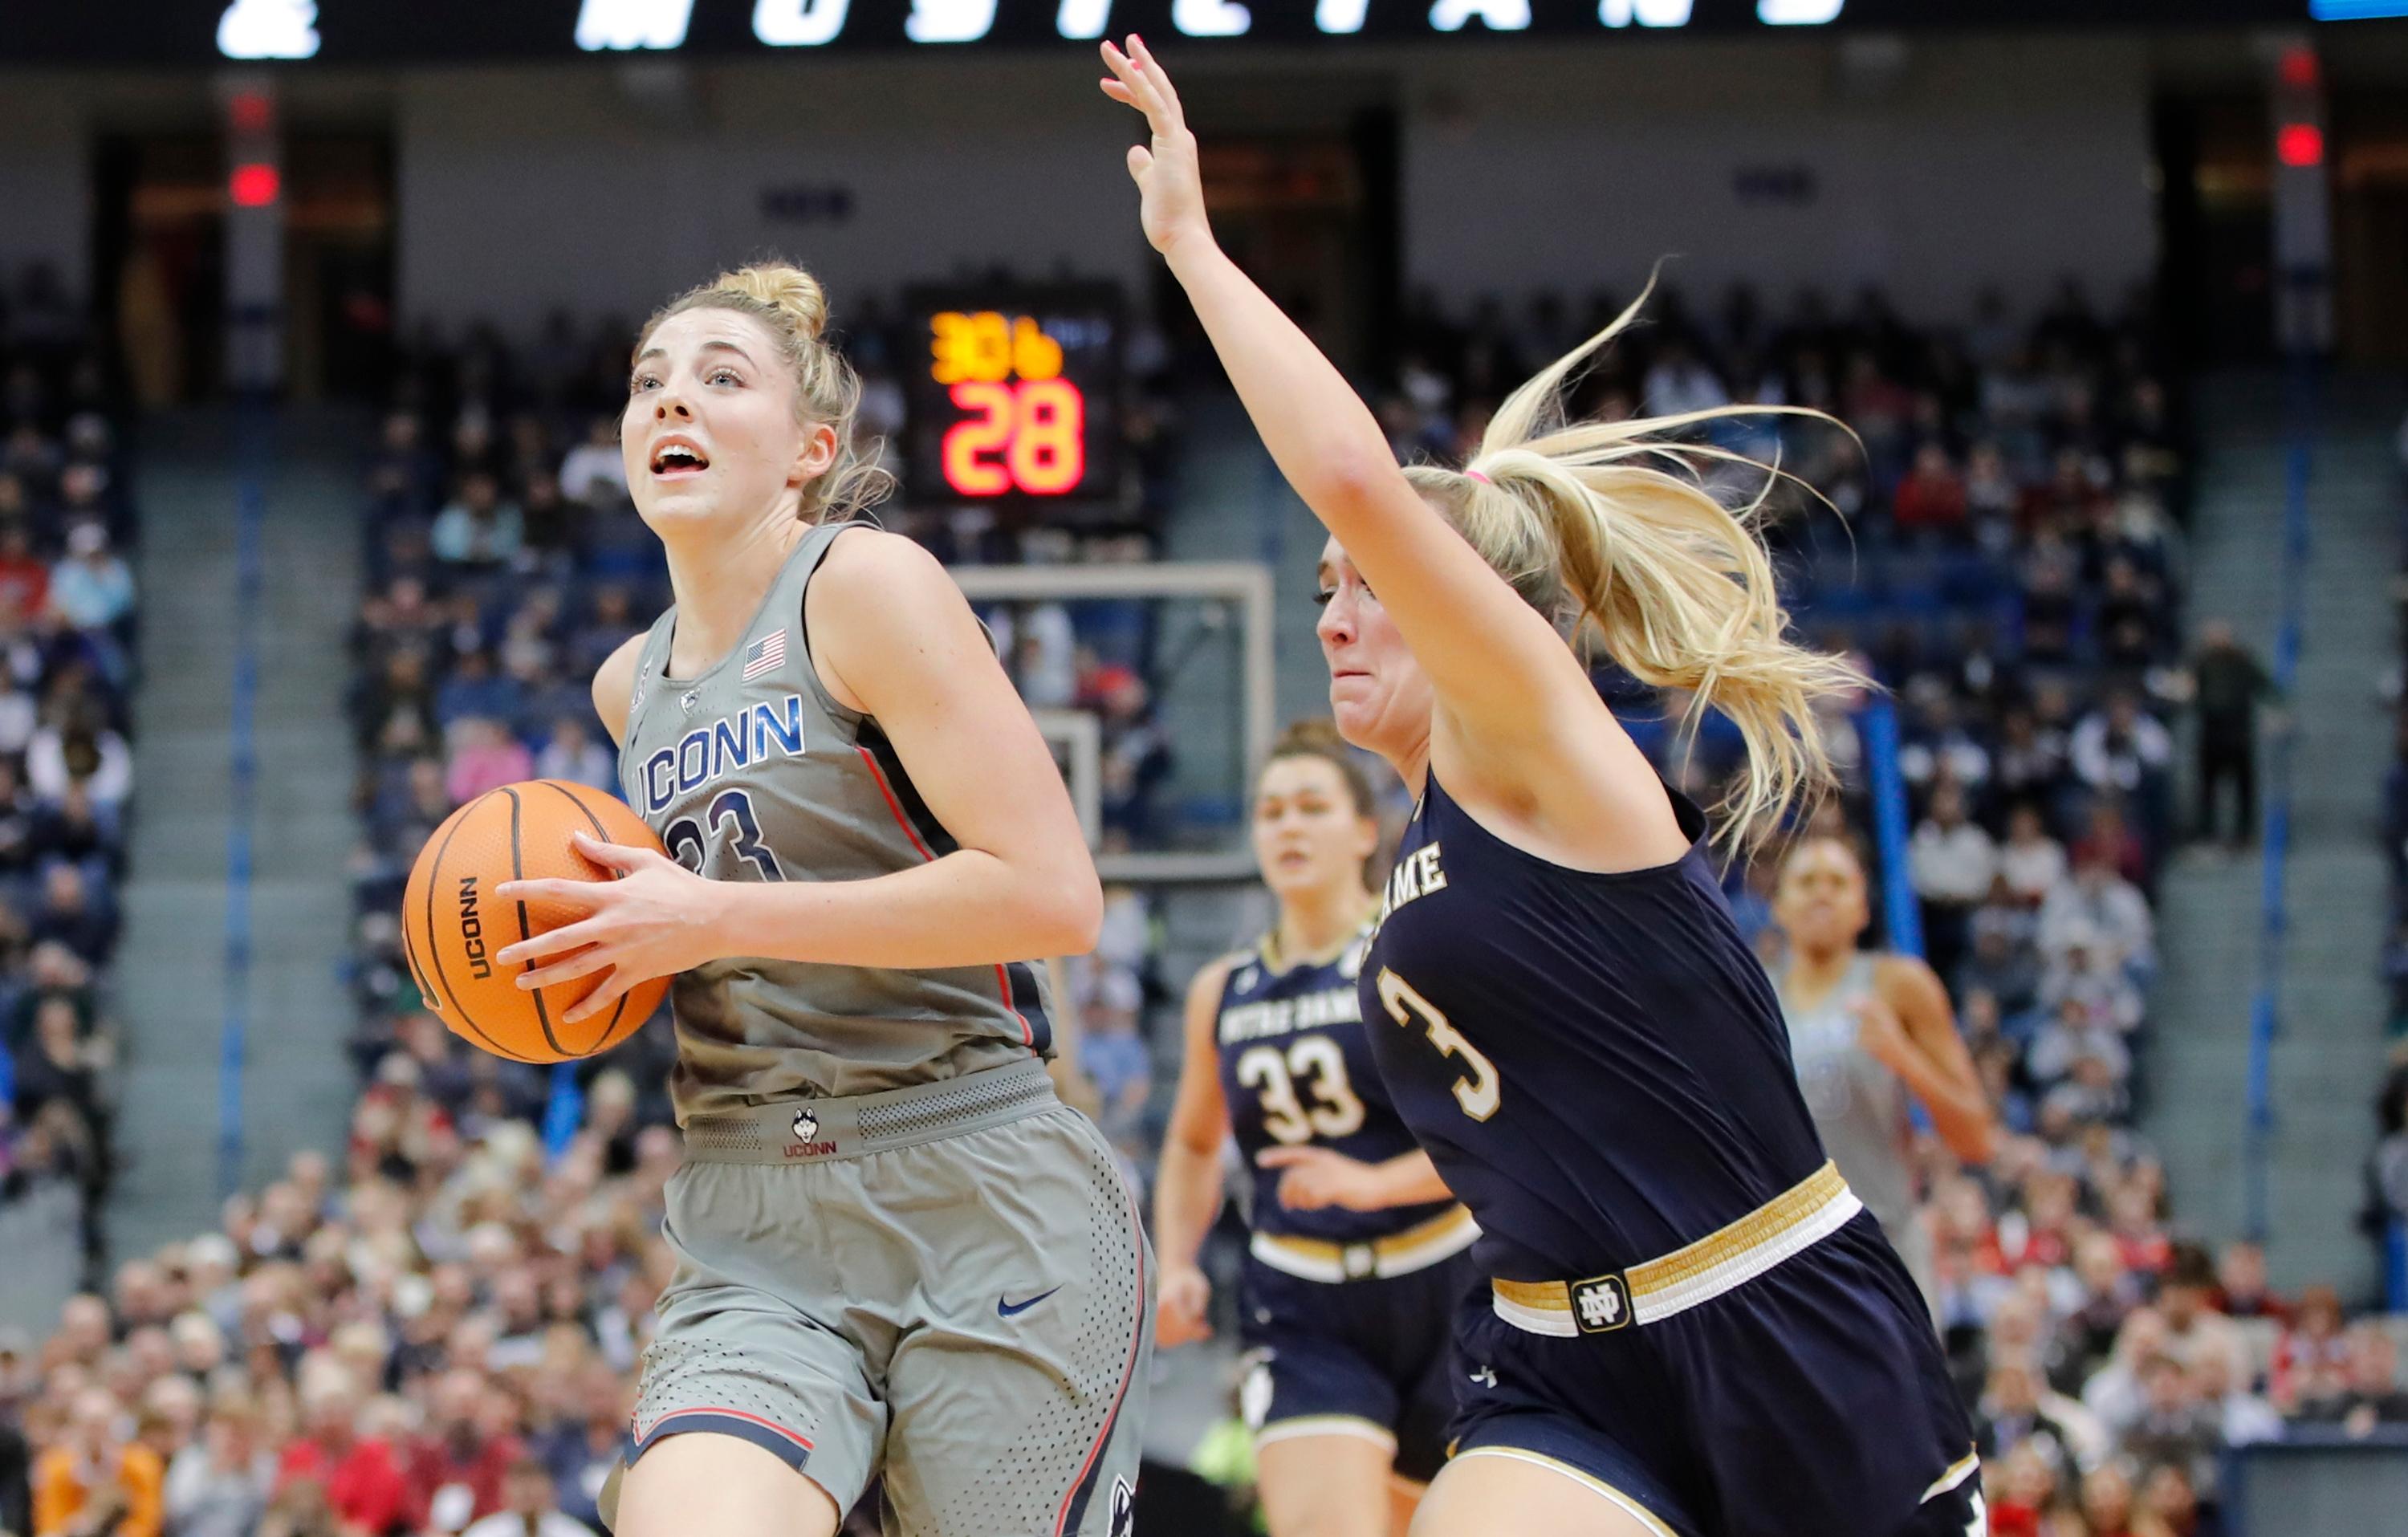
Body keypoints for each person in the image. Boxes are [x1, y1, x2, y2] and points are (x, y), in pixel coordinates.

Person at [1099, 36, 1976, 1537]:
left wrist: (1189, 246)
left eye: (1360, 589)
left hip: (1771, 1321)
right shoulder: (1425, 844)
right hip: (1556, 1362)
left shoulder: (1542, 754)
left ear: (1464, 614)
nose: (1332, 614)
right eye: (1321, 590)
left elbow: (1362, 482)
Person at [487, 262, 1149, 1537]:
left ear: (810, 450)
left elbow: (1056, 894)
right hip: (753, 1206)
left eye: (722, 379)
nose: (672, 400)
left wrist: (713, 917)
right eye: (650, 382)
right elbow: (683, 931)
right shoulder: (627, 687)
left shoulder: (864, 586)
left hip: (978, 1183)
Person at [1156, 720, 1475, 1537]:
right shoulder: (1223, 989)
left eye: (1310, 806)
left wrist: (1374, 1182)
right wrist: (1181, 1261)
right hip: (1301, 1303)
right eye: (1270, 811)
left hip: (1443, 1280)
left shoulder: (1417, 950)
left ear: (1365, 829)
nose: (1287, 826)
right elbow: (1196, 1143)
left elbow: (1496, 1130)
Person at [1770, 836, 1996, 1319]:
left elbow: (1976, 1139)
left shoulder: (1898, 984)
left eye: (1838, 882)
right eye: (1806, 882)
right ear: (1779, 906)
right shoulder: (1754, 995)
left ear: (1862, 908)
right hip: (1788, 1255)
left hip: (1885, 1241)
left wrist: (1904, 1058)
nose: (1822, 894)